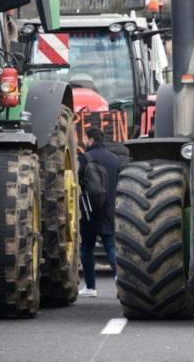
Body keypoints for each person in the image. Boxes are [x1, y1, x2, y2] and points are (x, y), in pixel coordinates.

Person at [78, 127, 121, 298]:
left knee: (87, 248)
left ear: (90, 140)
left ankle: (90, 287)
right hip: (109, 209)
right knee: (111, 246)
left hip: (89, 209)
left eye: (86, 139)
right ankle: (120, 278)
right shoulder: (115, 160)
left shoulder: (85, 158)